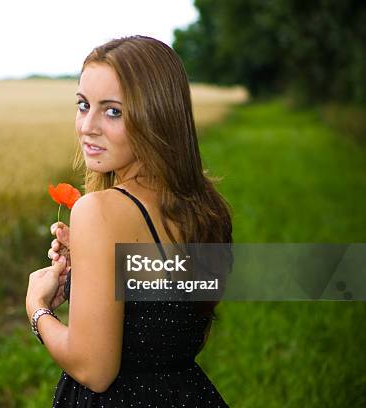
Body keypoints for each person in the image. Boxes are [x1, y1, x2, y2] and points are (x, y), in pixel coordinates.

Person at [25, 35, 232, 407]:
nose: (88, 126)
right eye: (83, 105)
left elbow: (95, 371)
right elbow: (177, 334)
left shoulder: (98, 210)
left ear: (156, 116)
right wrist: (91, 264)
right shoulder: (207, 207)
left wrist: (37, 309)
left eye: (113, 111)